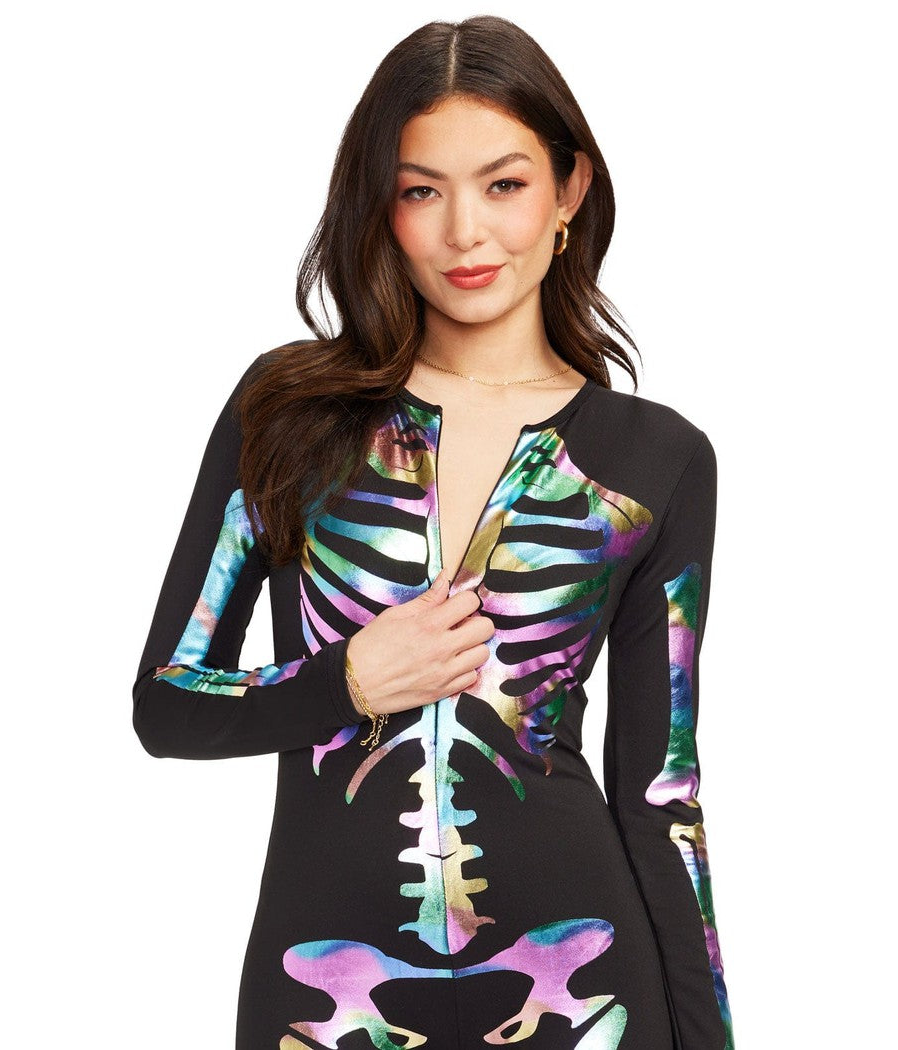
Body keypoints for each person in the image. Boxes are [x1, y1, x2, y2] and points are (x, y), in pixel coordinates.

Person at [132, 14, 735, 1050]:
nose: (465, 233)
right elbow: (167, 704)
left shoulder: (657, 458)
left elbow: (662, 798)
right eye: (422, 191)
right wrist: (344, 683)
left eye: (504, 184)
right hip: (329, 994)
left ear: (568, 191)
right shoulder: (286, 413)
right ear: (380, 205)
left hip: (579, 984)